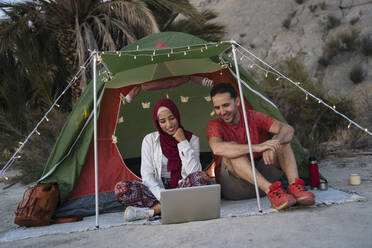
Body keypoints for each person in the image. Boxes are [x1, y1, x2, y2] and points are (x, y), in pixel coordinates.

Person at [206, 82, 315, 210]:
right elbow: (217, 148)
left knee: (281, 140)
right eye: (217, 107)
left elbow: (288, 129)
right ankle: (272, 191)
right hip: (235, 187)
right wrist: (257, 147)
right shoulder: (214, 125)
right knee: (232, 150)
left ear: (237, 101)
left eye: (226, 105)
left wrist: (274, 144)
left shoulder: (252, 116)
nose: (222, 112)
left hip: (263, 177)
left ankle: (295, 187)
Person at [115, 98, 213, 221]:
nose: (169, 125)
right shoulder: (149, 140)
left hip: (183, 187)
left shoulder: (192, 140)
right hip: (156, 190)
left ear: (177, 116)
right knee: (122, 189)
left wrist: (183, 142)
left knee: (201, 178)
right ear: (158, 123)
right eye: (163, 121)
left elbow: (194, 173)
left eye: (172, 118)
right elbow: (147, 175)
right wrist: (162, 195)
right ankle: (178, 206)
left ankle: (152, 211)